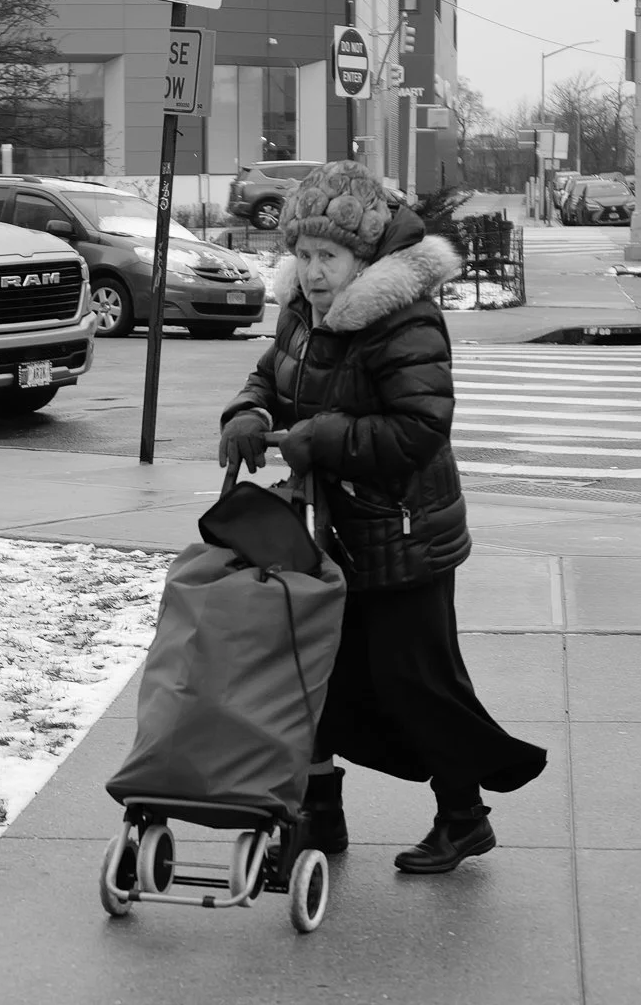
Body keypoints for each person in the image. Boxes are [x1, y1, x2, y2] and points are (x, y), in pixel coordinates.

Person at [218, 161, 547, 872]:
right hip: (326, 530)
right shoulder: (303, 310)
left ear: (363, 257)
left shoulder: (406, 317)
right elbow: (272, 375)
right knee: (314, 675)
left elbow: (418, 430)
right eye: (301, 256)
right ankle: (318, 814)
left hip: (401, 533)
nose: (310, 272)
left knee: (417, 684)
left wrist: (318, 439)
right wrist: (250, 412)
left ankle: (464, 817)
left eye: (326, 257)